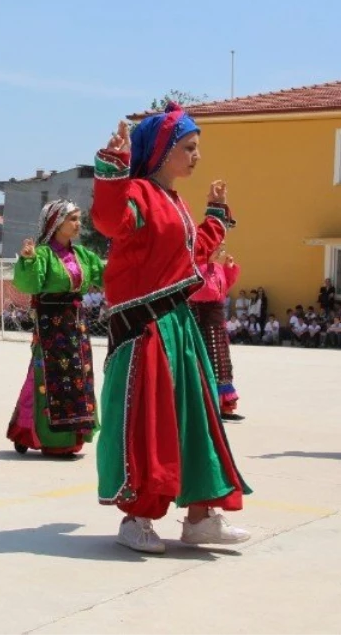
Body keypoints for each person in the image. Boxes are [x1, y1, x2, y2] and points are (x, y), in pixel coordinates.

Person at [91, 104, 251, 555]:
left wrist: (215, 216)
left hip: (178, 324)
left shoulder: (176, 202)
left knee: (193, 418)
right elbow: (107, 221)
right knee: (148, 420)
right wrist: (113, 167)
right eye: (189, 147)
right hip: (144, 329)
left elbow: (191, 252)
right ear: (162, 151)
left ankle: (201, 517)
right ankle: (137, 516)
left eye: (196, 147)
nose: (196, 156)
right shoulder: (138, 195)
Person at [6, 200, 103, 457]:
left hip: (76, 324)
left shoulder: (83, 255)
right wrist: (27, 262)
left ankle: (70, 437)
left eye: (78, 218)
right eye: (72, 218)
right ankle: (40, 435)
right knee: (46, 380)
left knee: (78, 377)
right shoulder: (43, 254)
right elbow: (29, 285)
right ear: (56, 222)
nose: (78, 224)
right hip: (50, 325)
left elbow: (107, 275)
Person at [190, 246, 244, 420]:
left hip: (216, 318)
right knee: (204, 361)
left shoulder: (218, 268)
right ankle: (207, 407)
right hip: (200, 318)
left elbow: (225, 286)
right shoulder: (195, 268)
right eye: (217, 249)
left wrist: (229, 268)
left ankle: (224, 407)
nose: (221, 252)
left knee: (222, 364)